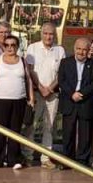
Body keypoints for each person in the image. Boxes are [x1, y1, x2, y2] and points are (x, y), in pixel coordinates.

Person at [0, 33, 32, 169]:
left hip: (18, 100)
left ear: (17, 47)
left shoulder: (22, 61)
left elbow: (28, 79)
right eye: (7, 45)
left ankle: (14, 159)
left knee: (15, 130)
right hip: (0, 99)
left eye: (13, 45)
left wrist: (31, 98)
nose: (10, 48)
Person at [24, 22, 64, 169]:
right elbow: (30, 70)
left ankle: (46, 156)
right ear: (41, 34)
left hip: (52, 94)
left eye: (51, 34)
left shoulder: (59, 50)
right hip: (36, 92)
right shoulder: (32, 48)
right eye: (46, 33)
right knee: (32, 125)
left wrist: (50, 88)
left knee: (50, 125)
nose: (48, 36)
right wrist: (40, 88)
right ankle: (27, 154)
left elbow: (61, 73)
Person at [58, 37, 93, 166]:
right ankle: (66, 160)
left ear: (89, 51)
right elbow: (62, 80)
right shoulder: (65, 62)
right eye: (78, 49)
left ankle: (82, 160)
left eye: (84, 50)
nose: (81, 52)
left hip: (85, 102)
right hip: (69, 101)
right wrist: (72, 94)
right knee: (68, 132)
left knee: (85, 133)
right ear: (74, 49)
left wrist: (81, 94)